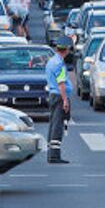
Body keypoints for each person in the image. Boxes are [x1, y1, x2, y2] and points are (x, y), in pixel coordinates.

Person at [45, 36, 72, 164]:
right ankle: (54, 156)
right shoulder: (59, 64)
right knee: (57, 125)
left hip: (52, 95)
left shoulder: (52, 61)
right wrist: (65, 100)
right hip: (58, 96)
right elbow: (61, 83)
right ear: (66, 50)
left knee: (53, 124)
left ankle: (51, 153)